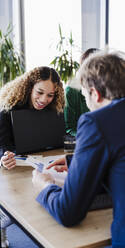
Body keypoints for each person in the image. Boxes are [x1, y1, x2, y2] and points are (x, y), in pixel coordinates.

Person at [32, 51, 125, 247]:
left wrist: (45, 186)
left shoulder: (97, 121)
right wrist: (73, 161)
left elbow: (68, 212)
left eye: (85, 96)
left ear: (95, 94)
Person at [0, 66, 65, 248]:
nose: (44, 100)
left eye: (50, 95)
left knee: (46, 180)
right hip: (4, 149)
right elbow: (2, 142)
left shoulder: (53, 106)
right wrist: (4, 157)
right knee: (19, 187)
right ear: (29, 87)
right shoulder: (10, 103)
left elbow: (54, 136)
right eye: (40, 92)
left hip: (32, 152)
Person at [64, 48, 99, 137]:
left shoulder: (109, 90)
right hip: (85, 138)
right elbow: (69, 128)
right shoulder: (72, 91)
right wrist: (88, 136)